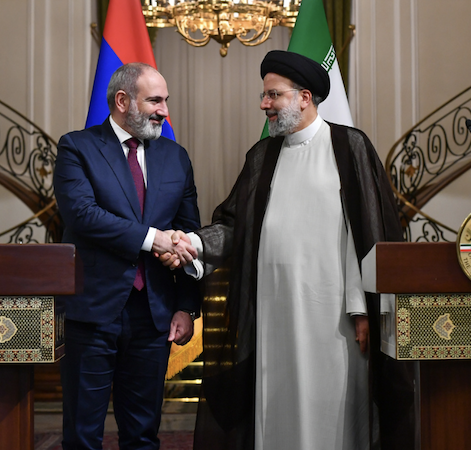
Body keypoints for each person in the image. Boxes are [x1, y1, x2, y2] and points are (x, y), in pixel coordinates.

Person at [161, 50, 415, 450]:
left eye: (273, 95)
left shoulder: (349, 146)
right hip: (272, 313)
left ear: (304, 97)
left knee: (333, 413)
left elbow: (368, 231)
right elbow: (233, 225)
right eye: (264, 96)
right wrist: (191, 244)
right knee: (275, 408)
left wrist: (363, 309)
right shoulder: (262, 157)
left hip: (335, 317)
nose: (264, 104)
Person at [54, 62, 202, 450]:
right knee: (83, 435)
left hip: (153, 316)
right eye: (155, 100)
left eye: (166, 100)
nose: (164, 110)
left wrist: (186, 307)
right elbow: (82, 216)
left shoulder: (176, 157)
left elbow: (189, 236)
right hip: (91, 313)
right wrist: (154, 239)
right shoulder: (77, 147)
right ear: (122, 100)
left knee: (143, 434)